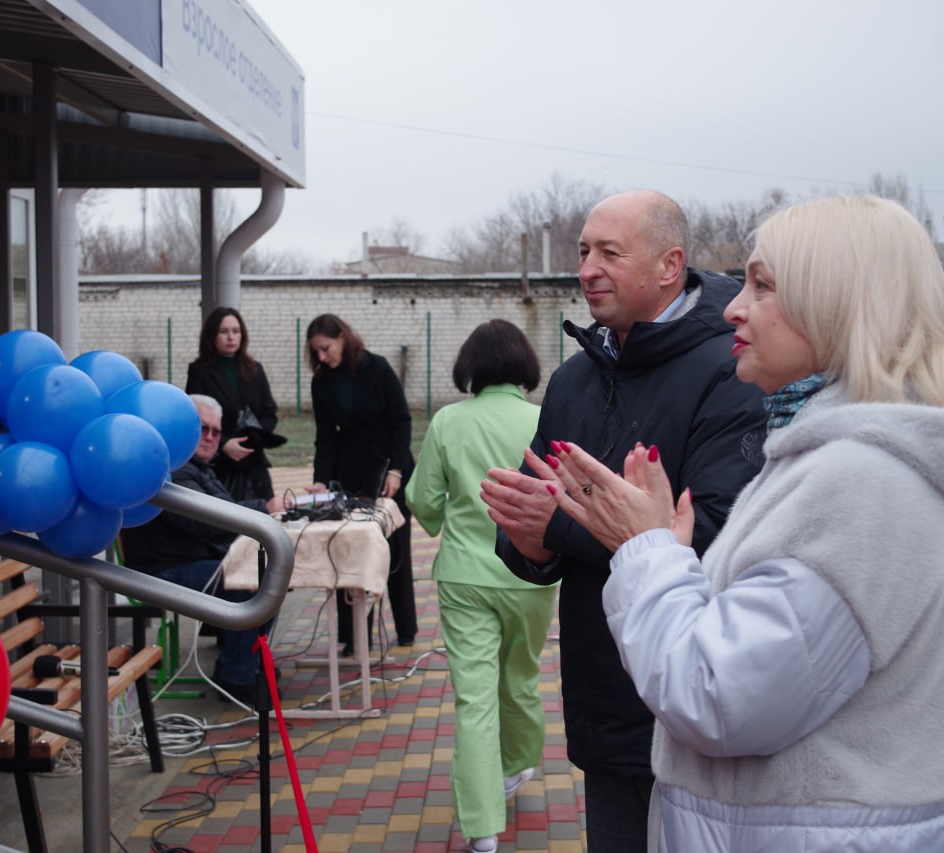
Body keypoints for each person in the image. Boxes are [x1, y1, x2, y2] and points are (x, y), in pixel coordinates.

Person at [539, 195, 944, 851]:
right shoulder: (836, 458)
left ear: (840, 304)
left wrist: (649, 549)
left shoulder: (863, 484)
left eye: (762, 285)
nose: (734, 307)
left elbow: (716, 695)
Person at [480, 189, 767, 850]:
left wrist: (557, 528)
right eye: (583, 251)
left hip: (696, 705)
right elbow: (539, 522)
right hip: (605, 705)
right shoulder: (575, 381)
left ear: (669, 266)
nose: (586, 268)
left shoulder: (731, 372)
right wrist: (529, 543)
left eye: (609, 252)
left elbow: (714, 532)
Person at [405, 320, 558, 853]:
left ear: (470, 367)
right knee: (520, 677)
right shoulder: (545, 419)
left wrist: (446, 511)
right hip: (531, 575)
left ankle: (482, 830)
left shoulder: (448, 421)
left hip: (465, 575)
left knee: (474, 700)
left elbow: (422, 500)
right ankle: (516, 767)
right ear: (525, 368)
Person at [120, 394, 285, 707]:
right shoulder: (175, 470)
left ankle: (239, 664)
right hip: (160, 571)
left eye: (216, 432)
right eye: (202, 429)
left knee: (261, 574)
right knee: (255, 582)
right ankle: (239, 678)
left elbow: (221, 516)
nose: (209, 437)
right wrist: (262, 508)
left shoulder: (197, 467)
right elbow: (205, 522)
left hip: (185, 560)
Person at [305, 313, 417, 653]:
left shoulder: (378, 367)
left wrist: (396, 470)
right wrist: (321, 482)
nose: (322, 357)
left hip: (389, 468)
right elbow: (325, 437)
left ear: (342, 337)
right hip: (348, 472)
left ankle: (407, 628)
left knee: (394, 549)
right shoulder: (321, 381)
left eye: (326, 348)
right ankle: (354, 637)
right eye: (317, 352)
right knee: (348, 550)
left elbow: (401, 421)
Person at [186, 306, 282, 503]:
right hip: (220, 465)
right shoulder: (200, 371)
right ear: (212, 335)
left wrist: (254, 437)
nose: (231, 337)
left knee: (266, 517)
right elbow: (194, 418)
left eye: (236, 331)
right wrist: (224, 444)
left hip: (255, 463)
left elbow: (269, 413)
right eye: (224, 331)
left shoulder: (255, 369)